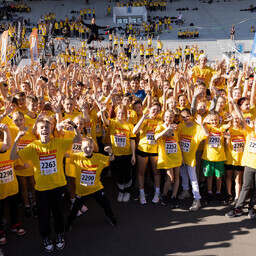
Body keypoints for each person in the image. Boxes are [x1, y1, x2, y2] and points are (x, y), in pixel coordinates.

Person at [10, 119, 82, 252]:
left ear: (51, 130)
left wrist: (74, 125)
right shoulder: (33, 146)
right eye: (42, 127)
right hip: (41, 189)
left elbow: (78, 138)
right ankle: (46, 237)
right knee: (43, 216)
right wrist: (17, 139)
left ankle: (60, 235)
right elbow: (13, 156)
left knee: (58, 213)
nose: (44, 129)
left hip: (58, 186)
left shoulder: (59, 142)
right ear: (37, 131)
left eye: (47, 127)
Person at [65, 137, 116, 231]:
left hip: (96, 188)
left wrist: (110, 151)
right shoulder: (77, 157)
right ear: (81, 148)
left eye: (90, 147)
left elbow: (111, 159)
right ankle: (69, 223)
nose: (88, 149)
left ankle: (111, 217)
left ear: (93, 147)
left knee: (106, 204)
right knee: (75, 208)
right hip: (82, 191)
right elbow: (64, 154)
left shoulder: (99, 157)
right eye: (85, 147)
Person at [0, 124, 26, 246]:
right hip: (1, 189)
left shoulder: (10, 150)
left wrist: (24, 166)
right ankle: (0, 231)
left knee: (14, 206)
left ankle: (14, 224)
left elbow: (16, 164)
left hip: (12, 186)